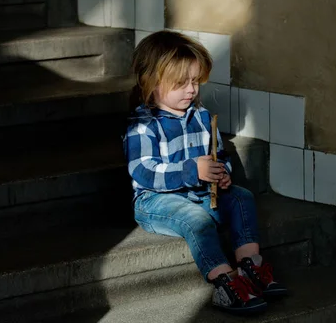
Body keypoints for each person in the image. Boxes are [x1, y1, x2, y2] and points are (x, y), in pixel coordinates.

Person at [123, 30, 287, 315]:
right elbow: (143, 172)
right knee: (195, 219)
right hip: (156, 200)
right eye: (181, 83)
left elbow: (218, 154)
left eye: (195, 81)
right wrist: (192, 171)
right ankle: (225, 282)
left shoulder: (200, 116)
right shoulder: (143, 126)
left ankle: (250, 265)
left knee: (240, 197)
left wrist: (222, 172)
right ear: (151, 82)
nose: (191, 90)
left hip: (199, 193)